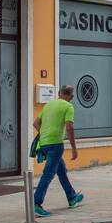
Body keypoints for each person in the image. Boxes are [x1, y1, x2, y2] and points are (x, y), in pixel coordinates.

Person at [32, 85, 83, 216]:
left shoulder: (49, 105)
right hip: (55, 144)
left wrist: (44, 134)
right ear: (71, 97)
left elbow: (36, 123)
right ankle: (36, 203)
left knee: (61, 171)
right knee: (48, 173)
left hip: (44, 143)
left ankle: (72, 197)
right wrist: (74, 148)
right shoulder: (68, 107)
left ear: (59, 93)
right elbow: (69, 127)